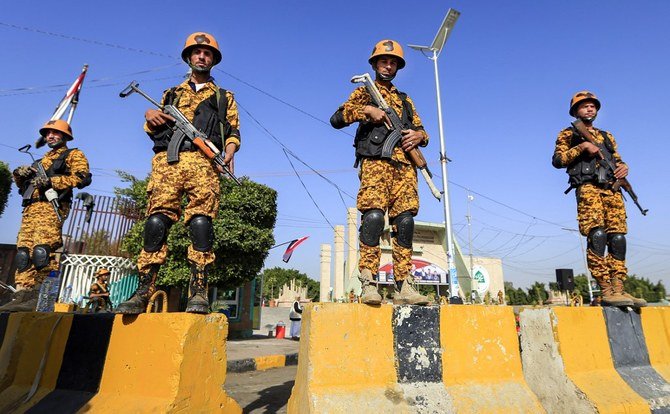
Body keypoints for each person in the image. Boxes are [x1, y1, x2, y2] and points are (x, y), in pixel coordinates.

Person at [116, 32, 241, 315]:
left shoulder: (224, 97)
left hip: (203, 164)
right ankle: (144, 289)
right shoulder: (171, 93)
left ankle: (198, 290)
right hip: (167, 164)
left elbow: (233, 131)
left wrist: (230, 150)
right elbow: (156, 126)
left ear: (213, 60)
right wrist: (150, 116)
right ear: (188, 57)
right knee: (156, 222)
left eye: (207, 53)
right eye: (197, 52)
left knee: (201, 224)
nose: (201, 56)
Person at [330, 39, 430, 306]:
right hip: (376, 164)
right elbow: (337, 118)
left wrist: (419, 136)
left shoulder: (404, 100)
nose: (388, 65)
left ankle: (404, 284)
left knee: (405, 222)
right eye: (384, 61)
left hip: (406, 169)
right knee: (373, 218)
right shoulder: (365, 92)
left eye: (393, 62)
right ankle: (369, 281)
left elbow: (423, 130)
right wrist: (367, 110)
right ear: (375, 64)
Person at [552, 91, 646, 307]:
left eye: (592, 106)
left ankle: (618, 288)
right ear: (575, 110)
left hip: (611, 190)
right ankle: (605, 288)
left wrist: (624, 167)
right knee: (598, 234)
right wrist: (582, 147)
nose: (589, 109)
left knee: (618, 237)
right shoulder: (569, 134)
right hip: (588, 189)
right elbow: (558, 160)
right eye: (584, 106)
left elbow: (617, 160)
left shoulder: (607, 136)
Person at [0, 120, 91, 312]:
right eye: (48, 133)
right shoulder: (38, 163)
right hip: (30, 210)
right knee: (24, 254)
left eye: (55, 133)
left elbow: (82, 178)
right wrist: (19, 175)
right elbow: (23, 189)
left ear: (65, 136)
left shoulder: (73, 154)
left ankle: (40, 295)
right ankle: (21, 295)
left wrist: (51, 181)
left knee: (42, 252)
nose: (50, 136)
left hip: (51, 208)